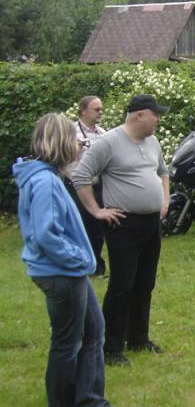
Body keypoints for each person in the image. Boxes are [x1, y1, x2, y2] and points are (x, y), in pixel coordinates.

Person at [13, 113, 131, 407]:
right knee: (69, 340)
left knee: (93, 331)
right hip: (61, 273)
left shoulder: (46, 177)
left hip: (64, 271)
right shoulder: (44, 182)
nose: (80, 146)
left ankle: (88, 403)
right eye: (77, 140)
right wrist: (77, 259)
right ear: (61, 142)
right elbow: (46, 234)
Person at [73, 94, 171, 366]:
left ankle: (139, 338)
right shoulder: (108, 142)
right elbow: (81, 176)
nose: (158, 119)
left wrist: (164, 201)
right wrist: (97, 211)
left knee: (145, 282)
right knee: (122, 285)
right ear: (140, 115)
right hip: (123, 224)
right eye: (155, 114)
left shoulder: (152, 141)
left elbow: (163, 172)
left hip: (151, 223)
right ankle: (111, 347)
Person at [71, 95, 107, 276]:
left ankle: (96, 265)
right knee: (82, 226)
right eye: (96, 109)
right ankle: (83, 264)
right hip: (77, 186)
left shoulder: (102, 133)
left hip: (99, 185)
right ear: (83, 111)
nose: (100, 112)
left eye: (101, 109)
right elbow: (63, 160)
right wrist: (74, 149)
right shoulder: (71, 132)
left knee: (98, 227)